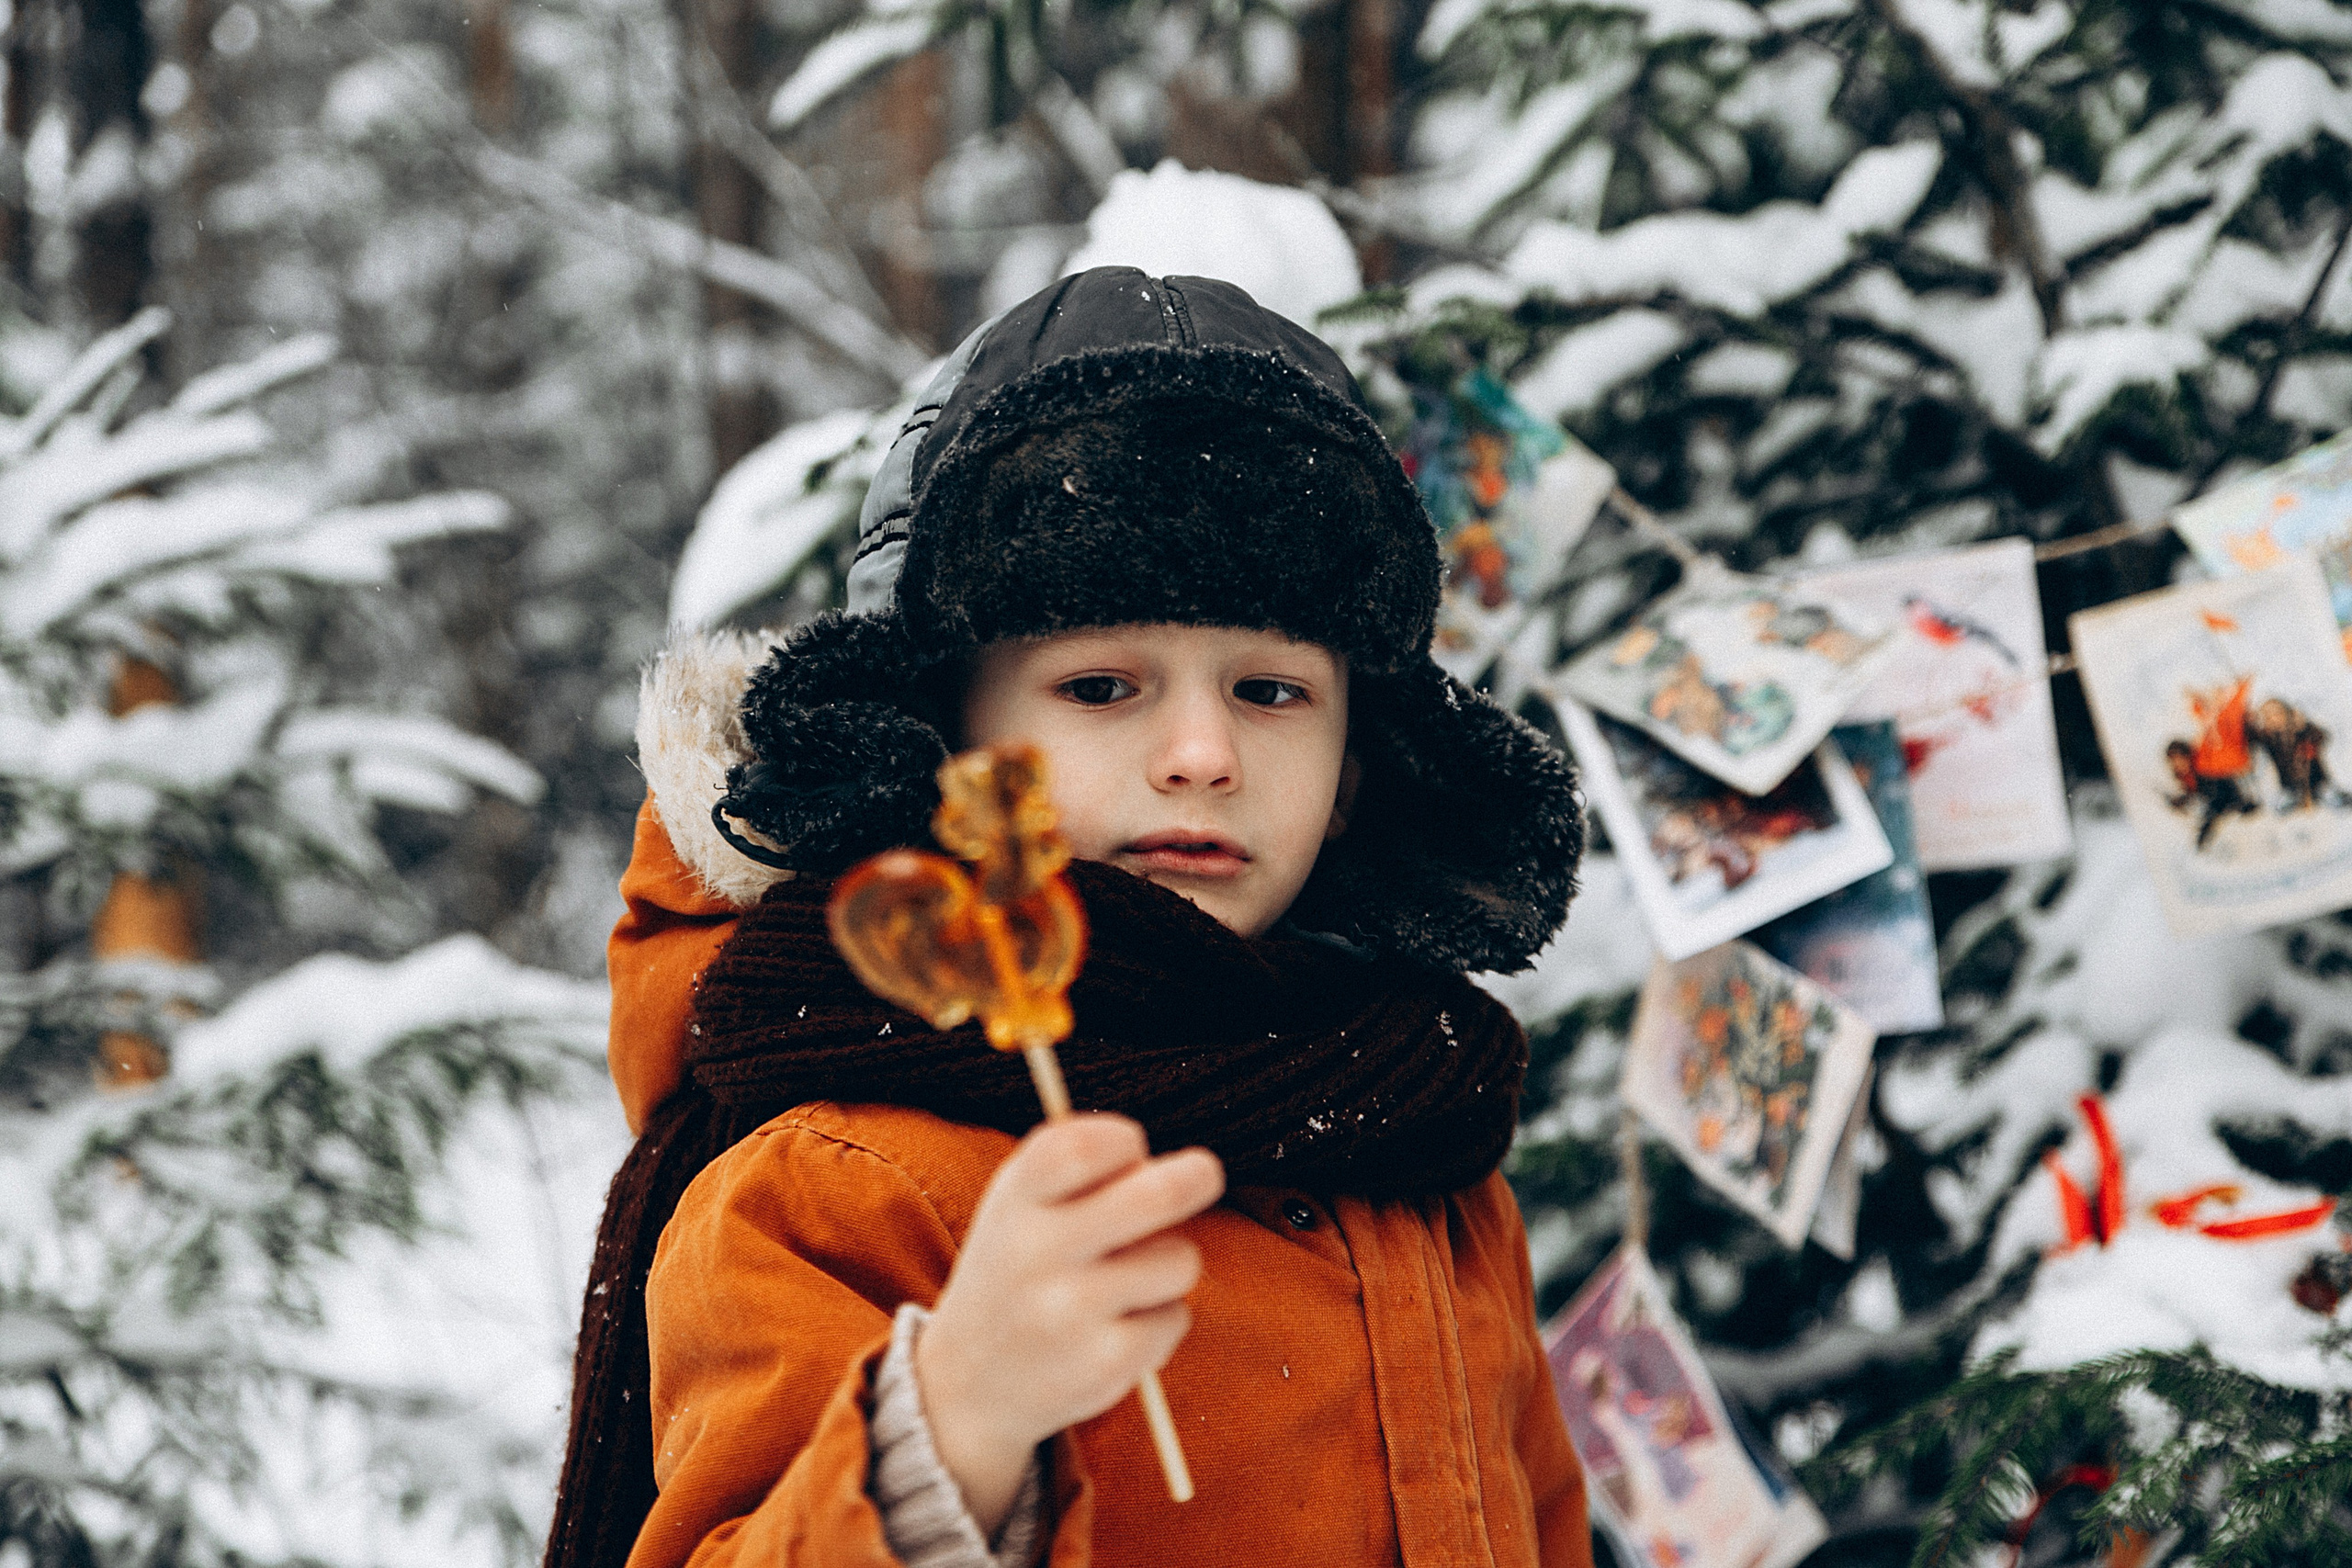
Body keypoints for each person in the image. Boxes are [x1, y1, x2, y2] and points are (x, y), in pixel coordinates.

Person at [545, 268, 1593, 1568]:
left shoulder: (1420, 1143)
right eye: (1102, 686)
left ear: (1356, 770)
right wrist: (957, 1421)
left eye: (1271, 690)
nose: (1203, 752)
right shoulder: (837, 1176)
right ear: (947, 742)